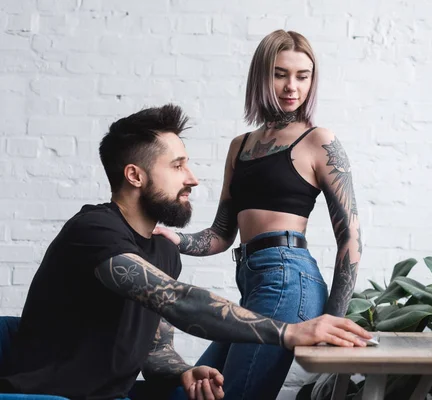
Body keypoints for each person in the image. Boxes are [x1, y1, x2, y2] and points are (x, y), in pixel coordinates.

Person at [0, 104, 371, 400]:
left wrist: (182, 371)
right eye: (177, 166)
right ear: (135, 176)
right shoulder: (94, 230)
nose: (192, 177)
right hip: (43, 395)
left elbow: (154, 349)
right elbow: (176, 300)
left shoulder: (163, 251)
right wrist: (289, 332)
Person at [153, 30, 362, 399]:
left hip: (289, 278)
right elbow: (221, 233)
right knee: (197, 389)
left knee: (233, 394)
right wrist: (177, 239)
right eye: (280, 74)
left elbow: (350, 237)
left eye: (303, 75)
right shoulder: (241, 146)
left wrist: (335, 318)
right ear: (261, 76)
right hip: (252, 282)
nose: (291, 86)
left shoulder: (318, 141)